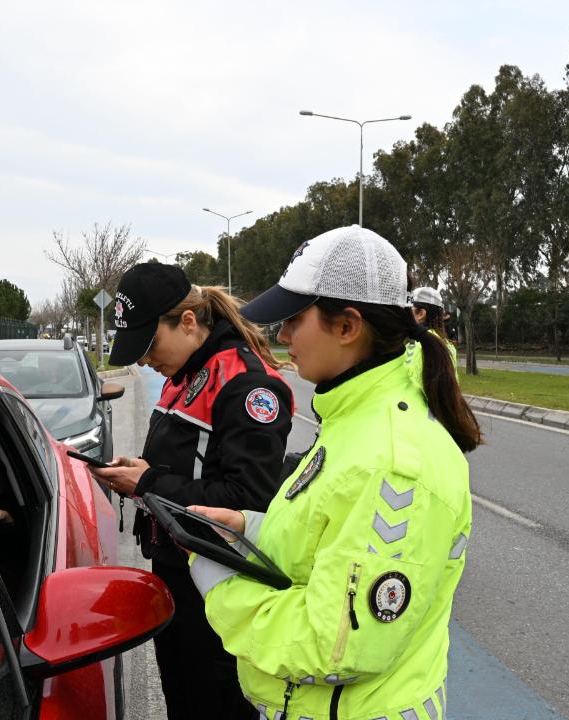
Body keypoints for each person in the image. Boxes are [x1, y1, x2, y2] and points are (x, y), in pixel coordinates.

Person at [186, 226, 482, 720]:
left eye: (294, 321)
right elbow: (332, 530)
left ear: (347, 326)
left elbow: (334, 647)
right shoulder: (353, 415)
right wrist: (251, 530)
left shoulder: (393, 462)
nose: (281, 337)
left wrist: (219, 583)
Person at [89, 263, 294, 720]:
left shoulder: (247, 385)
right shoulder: (183, 373)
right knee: (181, 700)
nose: (143, 360)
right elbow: (186, 466)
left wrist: (148, 483)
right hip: (175, 572)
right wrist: (142, 474)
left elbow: (247, 502)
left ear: (185, 322)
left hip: (217, 588)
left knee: (215, 706)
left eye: (150, 344)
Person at [407, 286, 459, 380]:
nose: (405, 313)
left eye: (408, 309)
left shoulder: (422, 344)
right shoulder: (447, 344)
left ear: (421, 314)